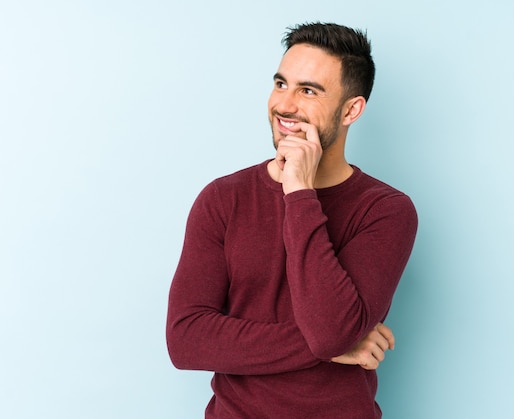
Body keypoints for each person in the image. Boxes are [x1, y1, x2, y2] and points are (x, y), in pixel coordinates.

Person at [166, 22, 418, 418]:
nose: (284, 105)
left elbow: (331, 330)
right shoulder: (222, 199)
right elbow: (186, 340)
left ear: (351, 109)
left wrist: (299, 191)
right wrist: (337, 347)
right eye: (281, 84)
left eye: (308, 91)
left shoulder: (385, 210)